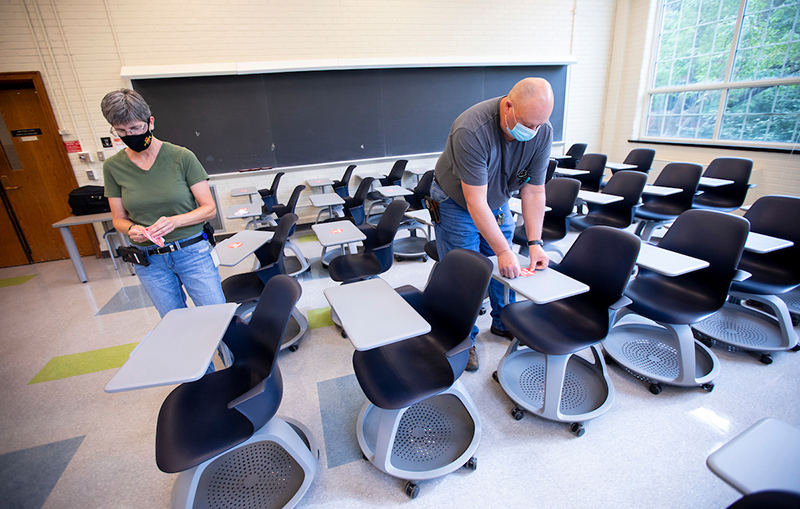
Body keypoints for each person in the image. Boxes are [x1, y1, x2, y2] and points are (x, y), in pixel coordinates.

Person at [431, 77, 553, 371]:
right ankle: (465, 338)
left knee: (507, 264)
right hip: (455, 201)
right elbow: (475, 202)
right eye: (528, 123)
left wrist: (535, 243)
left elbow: (534, 190)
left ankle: (503, 321)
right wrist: (501, 250)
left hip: (497, 199)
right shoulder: (471, 129)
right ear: (508, 106)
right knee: (466, 271)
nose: (534, 131)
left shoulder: (541, 130)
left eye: (539, 125)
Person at [101, 88, 226, 318]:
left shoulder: (181, 157)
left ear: (150, 122)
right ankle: (196, 357)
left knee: (216, 317)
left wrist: (174, 222)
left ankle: (229, 354)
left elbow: (209, 209)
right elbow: (118, 218)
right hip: (149, 260)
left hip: (191, 252)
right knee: (174, 324)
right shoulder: (113, 167)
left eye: (136, 128)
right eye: (121, 131)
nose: (130, 135)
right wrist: (131, 229)